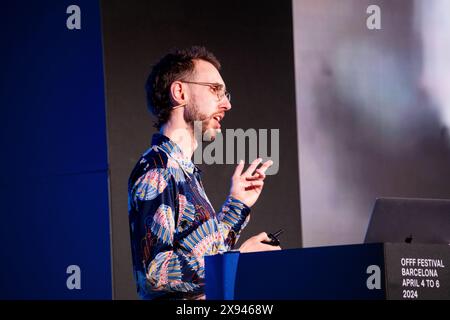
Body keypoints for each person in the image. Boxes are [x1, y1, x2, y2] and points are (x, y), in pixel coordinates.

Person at [128, 46, 280, 300]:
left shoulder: (183, 172)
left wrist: (237, 205)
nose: (227, 104)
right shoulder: (158, 169)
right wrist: (239, 259)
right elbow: (154, 276)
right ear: (180, 92)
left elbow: (206, 252)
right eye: (215, 90)